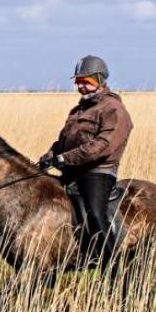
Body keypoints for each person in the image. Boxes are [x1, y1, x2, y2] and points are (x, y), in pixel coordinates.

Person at [38, 55, 133, 261]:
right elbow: (65, 141)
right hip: (72, 170)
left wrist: (65, 159)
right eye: (78, 82)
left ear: (100, 80)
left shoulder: (113, 109)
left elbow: (103, 146)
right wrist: (50, 155)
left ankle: (113, 265)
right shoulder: (80, 109)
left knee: (95, 214)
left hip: (97, 172)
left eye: (86, 82)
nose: (81, 86)